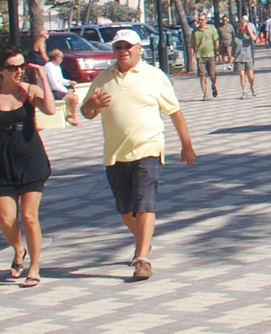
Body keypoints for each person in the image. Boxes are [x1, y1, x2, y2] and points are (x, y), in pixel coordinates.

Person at [81, 30, 197, 281]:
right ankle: (143, 240)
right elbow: (86, 111)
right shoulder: (103, 78)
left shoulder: (154, 76)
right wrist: (93, 105)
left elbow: (174, 112)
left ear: (138, 49)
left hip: (148, 149)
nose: (122, 51)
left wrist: (186, 144)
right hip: (115, 154)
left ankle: (142, 258)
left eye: (127, 46)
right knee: (125, 208)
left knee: (145, 202)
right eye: (118, 47)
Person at [0, 49, 59, 287]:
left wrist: (43, 78)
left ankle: (35, 267)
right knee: (6, 219)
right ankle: (19, 250)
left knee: (29, 216)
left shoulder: (30, 91)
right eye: (12, 67)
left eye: (21, 66)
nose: (18, 71)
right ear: (1, 71)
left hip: (31, 158)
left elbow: (49, 109)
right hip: (2, 161)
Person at [190, 16, 220, 100]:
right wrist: (192, 58)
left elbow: (216, 42)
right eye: (199, 20)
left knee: (212, 75)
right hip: (200, 55)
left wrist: (217, 54)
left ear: (206, 20)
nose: (200, 21)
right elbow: (192, 45)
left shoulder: (212, 29)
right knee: (202, 76)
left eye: (202, 20)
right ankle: (205, 94)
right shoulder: (195, 32)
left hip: (210, 54)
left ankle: (213, 85)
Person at [233, 17, 258, 98]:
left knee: (250, 76)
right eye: (242, 26)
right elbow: (233, 47)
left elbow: (254, 39)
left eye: (245, 26)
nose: (243, 28)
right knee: (242, 75)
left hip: (248, 57)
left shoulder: (249, 35)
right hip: (239, 58)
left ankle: (252, 87)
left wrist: (249, 30)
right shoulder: (236, 36)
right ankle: (244, 91)